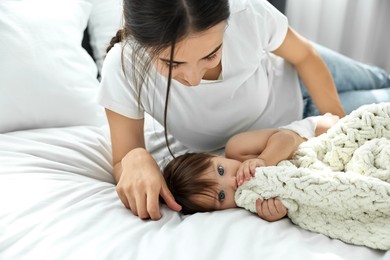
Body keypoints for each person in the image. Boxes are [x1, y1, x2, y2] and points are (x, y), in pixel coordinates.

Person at [98, 0, 390, 220]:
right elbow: (123, 161)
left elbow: (303, 56)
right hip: (296, 127)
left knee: (382, 79)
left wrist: (337, 129)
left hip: (303, 76)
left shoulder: (247, 13)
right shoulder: (124, 67)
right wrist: (135, 157)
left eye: (211, 54)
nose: (195, 78)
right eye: (173, 64)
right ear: (141, 42)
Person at [162, 113, 340, 221]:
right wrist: (277, 212)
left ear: (214, 156)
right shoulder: (252, 203)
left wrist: (263, 161)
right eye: (222, 196)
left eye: (221, 170)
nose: (233, 182)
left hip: (319, 131)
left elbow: (287, 138)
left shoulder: (238, 149)